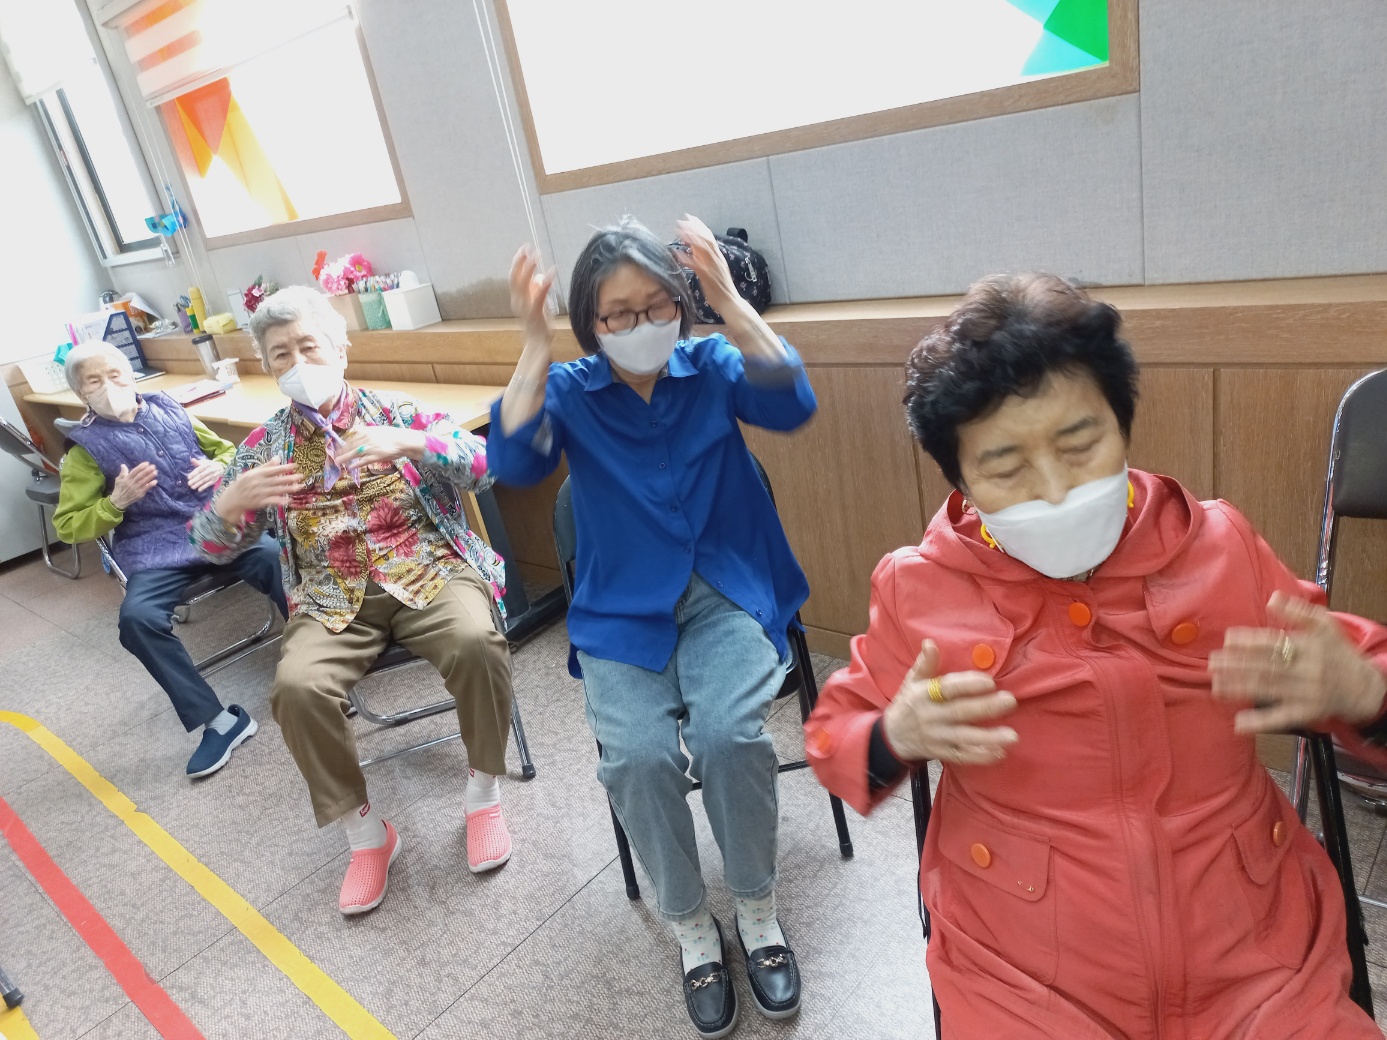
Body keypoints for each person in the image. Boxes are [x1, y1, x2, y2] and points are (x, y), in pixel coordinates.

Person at [805, 272, 1387, 1039]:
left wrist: (1362, 693)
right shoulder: (919, 587)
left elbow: (1351, 658)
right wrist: (893, 736)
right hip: (1021, 973)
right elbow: (832, 736)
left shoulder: (1217, 546)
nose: (1052, 490)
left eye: (1079, 445)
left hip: (1255, 954)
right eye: (1005, 468)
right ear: (962, 483)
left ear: (1121, 426)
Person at [488, 216, 813, 1038]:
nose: (641, 325)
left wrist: (728, 300)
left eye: (656, 306)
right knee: (634, 758)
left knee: (729, 737)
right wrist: (533, 345)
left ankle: (756, 908)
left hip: (724, 591)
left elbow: (791, 403)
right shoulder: (571, 390)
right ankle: (691, 925)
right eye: (619, 314)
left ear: (679, 302)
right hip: (620, 611)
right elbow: (514, 462)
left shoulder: (711, 364)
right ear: (591, 323)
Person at [188, 285, 514, 915]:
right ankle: (367, 837)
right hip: (330, 595)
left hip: (427, 568)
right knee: (296, 690)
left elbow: (488, 466)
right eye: (281, 354)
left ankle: (482, 796)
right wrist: (228, 507)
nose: (297, 362)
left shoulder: (394, 410)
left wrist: (412, 443)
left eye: (308, 346)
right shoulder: (263, 449)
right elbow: (212, 550)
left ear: (340, 348)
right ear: (268, 367)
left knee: (476, 642)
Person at [53, 341, 285, 778]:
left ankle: (323, 666)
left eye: (115, 374)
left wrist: (221, 467)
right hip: (155, 549)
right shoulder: (83, 451)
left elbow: (230, 452)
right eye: (94, 381)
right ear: (81, 393)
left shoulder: (171, 409)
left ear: (132, 375)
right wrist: (115, 502)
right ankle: (220, 722)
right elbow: (67, 526)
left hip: (215, 525)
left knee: (276, 557)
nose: (109, 386)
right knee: (136, 620)